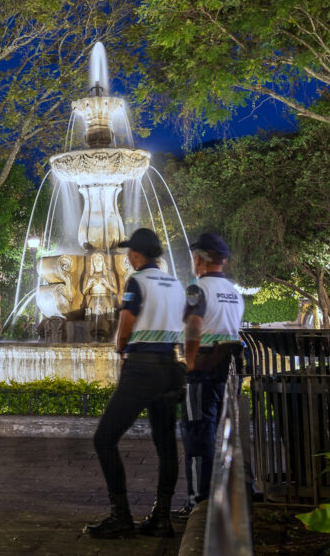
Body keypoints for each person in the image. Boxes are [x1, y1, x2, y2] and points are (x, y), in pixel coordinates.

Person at [87, 228, 186, 540]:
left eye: (130, 252)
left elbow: (126, 325)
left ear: (136, 254)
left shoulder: (137, 281)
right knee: (166, 443)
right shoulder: (175, 283)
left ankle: (121, 516)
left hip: (142, 368)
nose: (127, 256)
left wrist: (120, 350)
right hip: (170, 367)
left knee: (104, 438)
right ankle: (161, 518)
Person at [181, 232, 245, 515]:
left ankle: (199, 500)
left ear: (199, 259)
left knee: (197, 435)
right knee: (221, 433)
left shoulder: (197, 289)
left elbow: (194, 325)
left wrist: (190, 360)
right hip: (228, 369)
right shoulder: (234, 291)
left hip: (203, 369)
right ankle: (220, 495)